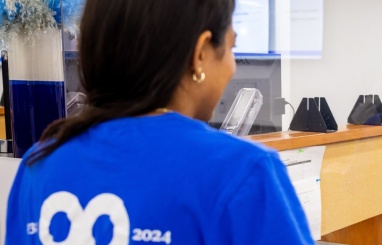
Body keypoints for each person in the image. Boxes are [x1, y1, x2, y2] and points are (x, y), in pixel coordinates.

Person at [5, 0, 314, 244]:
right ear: (200, 53)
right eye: (231, 48)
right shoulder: (242, 171)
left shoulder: (40, 164)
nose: (233, 67)